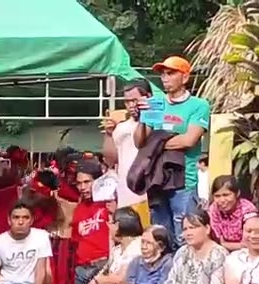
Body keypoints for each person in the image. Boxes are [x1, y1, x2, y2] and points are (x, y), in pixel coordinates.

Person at [134, 56, 210, 247]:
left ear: (185, 77)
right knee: (161, 237)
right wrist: (141, 118)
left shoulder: (199, 105)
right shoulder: (155, 103)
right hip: (156, 181)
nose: (165, 78)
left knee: (185, 236)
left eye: (170, 73)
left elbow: (189, 140)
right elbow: (140, 142)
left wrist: (155, 142)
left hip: (184, 181)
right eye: (162, 74)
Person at [62, 162, 112, 284]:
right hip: (82, 268)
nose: (82, 187)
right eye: (79, 183)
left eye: (87, 182)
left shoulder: (109, 204)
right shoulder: (80, 208)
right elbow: (77, 239)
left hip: (103, 266)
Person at [103, 78, 154, 227]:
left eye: (135, 100)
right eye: (127, 101)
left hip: (147, 194)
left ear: (147, 97)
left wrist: (146, 114)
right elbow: (111, 160)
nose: (131, 105)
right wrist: (109, 134)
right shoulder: (121, 127)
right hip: (125, 194)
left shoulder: (155, 122)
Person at [206, 175, 255, 251]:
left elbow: (248, 244)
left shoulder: (248, 210)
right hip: (221, 251)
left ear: (237, 193)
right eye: (217, 196)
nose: (222, 200)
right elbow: (216, 240)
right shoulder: (214, 209)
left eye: (226, 195)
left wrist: (224, 244)